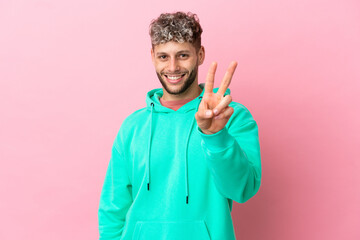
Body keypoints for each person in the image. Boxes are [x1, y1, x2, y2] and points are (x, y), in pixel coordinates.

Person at [98, 11, 262, 240]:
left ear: (200, 54)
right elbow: (113, 211)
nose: (173, 67)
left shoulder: (231, 116)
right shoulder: (132, 127)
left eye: (183, 55)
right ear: (152, 56)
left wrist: (215, 135)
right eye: (164, 57)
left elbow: (242, 189)